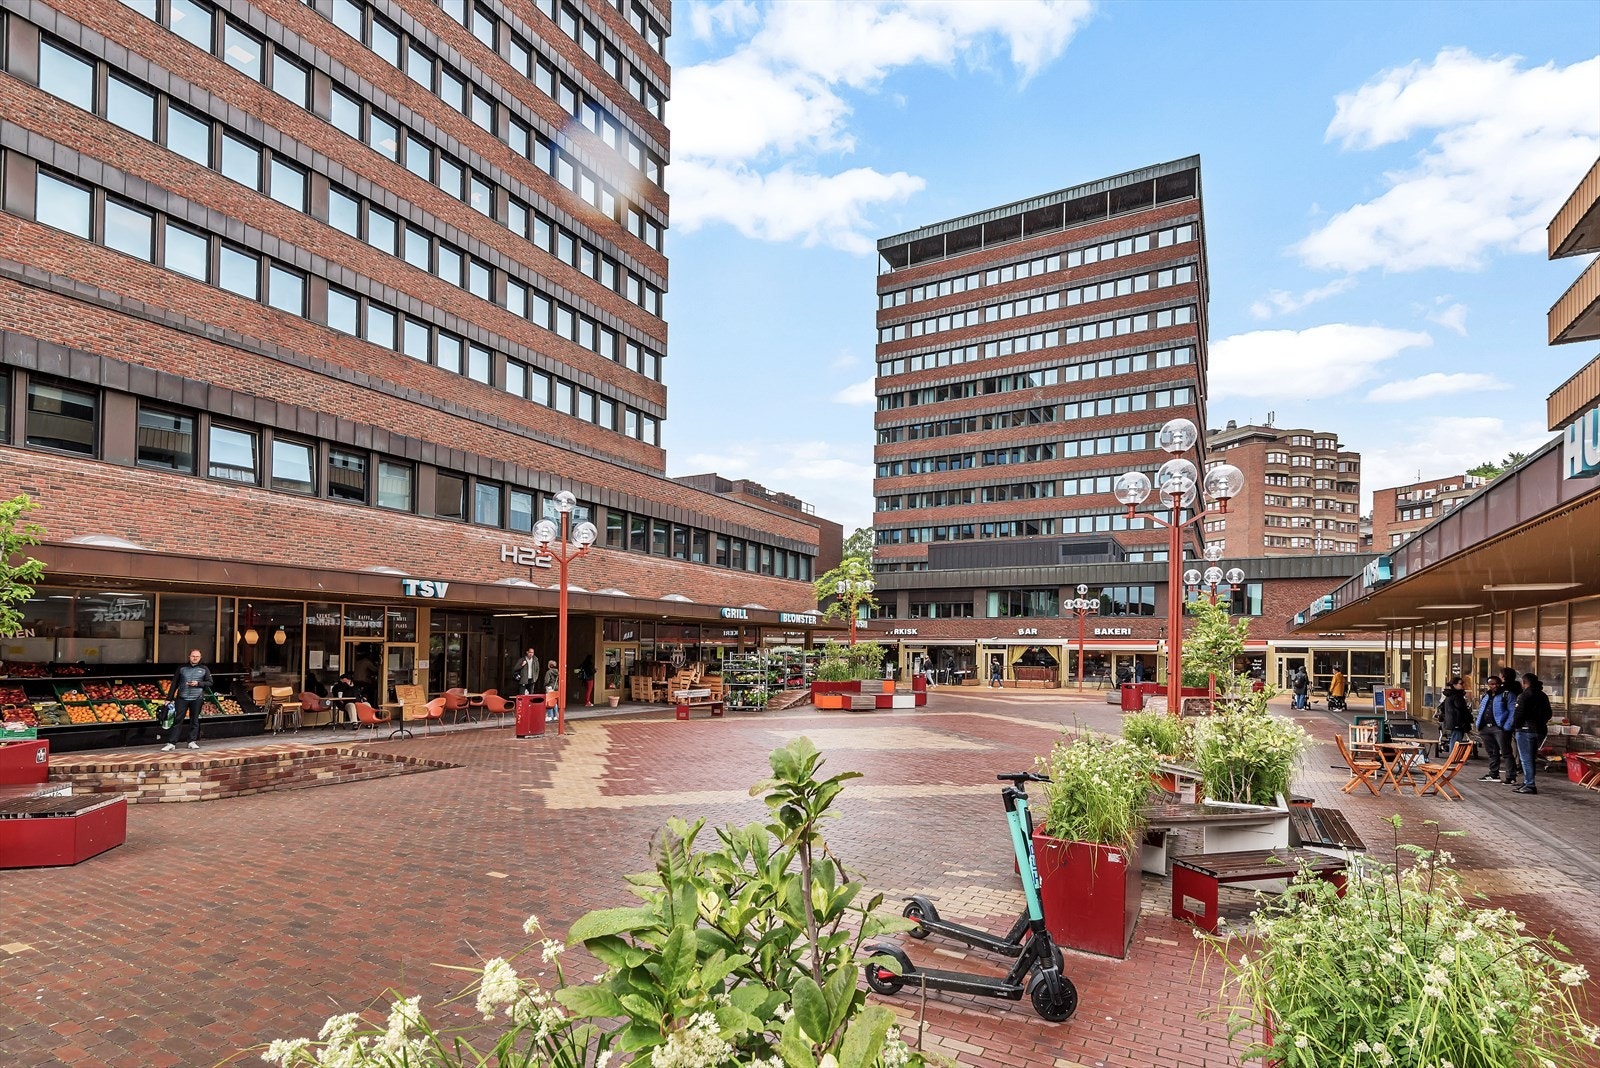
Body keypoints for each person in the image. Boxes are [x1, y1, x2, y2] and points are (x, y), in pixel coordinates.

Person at [161, 649, 213, 751]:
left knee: (194, 719)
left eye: (197, 657)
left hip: (197, 698)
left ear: (200, 658)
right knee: (177, 719)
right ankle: (172, 742)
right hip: (182, 697)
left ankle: (191, 741)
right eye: (193, 656)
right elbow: (174, 683)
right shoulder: (181, 668)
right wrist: (169, 698)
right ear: (189, 656)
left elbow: (210, 682)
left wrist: (198, 684)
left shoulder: (204, 669)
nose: (195, 658)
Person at [1511, 673, 1553, 794]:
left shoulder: (1523, 696)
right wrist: (1540, 721)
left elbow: (1518, 714)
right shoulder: (1543, 695)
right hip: (1539, 730)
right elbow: (1548, 713)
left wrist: (1516, 727)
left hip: (1525, 730)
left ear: (1524, 682)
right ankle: (1527, 781)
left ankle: (1529, 784)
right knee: (1532, 757)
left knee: (1525, 758)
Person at [1475, 675, 1517, 784]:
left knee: (1506, 752)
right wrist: (1479, 724)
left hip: (1499, 728)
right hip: (1485, 727)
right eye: (1492, 684)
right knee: (1492, 752)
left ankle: (1510, 776)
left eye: (1497, 683)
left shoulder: (1507, 695)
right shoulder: (1486, 695)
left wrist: (1507, 726)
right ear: (1488, 685)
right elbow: (1482, 710)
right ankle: (1493, 773)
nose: (1495, 686)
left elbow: (1512, 711)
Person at [1438, 675, 1471, 753]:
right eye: (1461, 683)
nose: (1463, 685)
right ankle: (1453, 757)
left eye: (1463, 683)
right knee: (1456, 739)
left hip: (1453, 720)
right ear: (1454, 685)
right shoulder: (1456, 695)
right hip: (1457, 721)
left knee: (1456, 738)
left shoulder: (1450, 695)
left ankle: (1453, 756)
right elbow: (1460, 707)